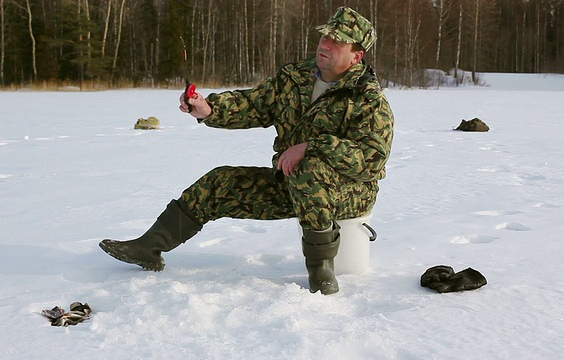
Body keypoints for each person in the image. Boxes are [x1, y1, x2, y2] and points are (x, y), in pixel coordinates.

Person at [99, 6, 394, 295]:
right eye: (324, 37)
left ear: (357, 55)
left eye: (337, 41)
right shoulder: (295, 77)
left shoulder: (368, 99)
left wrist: (312, 147)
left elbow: (371, 161)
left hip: (347, 194)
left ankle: (321, 272)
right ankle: (149, 247)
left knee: (310, 168)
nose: (325, 45)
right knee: (220, 182)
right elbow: (254, 104)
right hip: (292, 184)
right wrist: (208, 109)